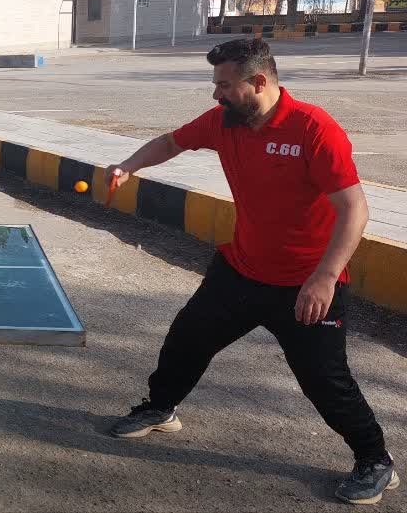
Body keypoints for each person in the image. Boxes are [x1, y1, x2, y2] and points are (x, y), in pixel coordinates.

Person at [105, 39, 396, 506]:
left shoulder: (313, 129)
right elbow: (170, 142)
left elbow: (354, 209)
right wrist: (128, 166)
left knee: (325, 381)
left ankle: (375, 459)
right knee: (187, 339)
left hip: (306, 283)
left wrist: (324, 277)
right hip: (240, 270)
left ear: (258, 82)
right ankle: (160, 408)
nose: (216, 94)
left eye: (224, 85)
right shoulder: (225, 121)